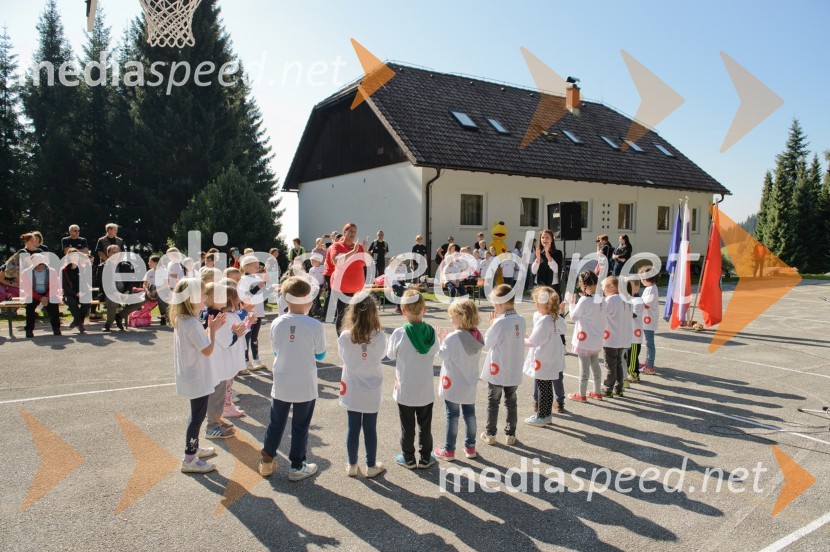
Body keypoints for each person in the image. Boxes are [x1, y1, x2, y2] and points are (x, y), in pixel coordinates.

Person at [259, 277, 327, 481]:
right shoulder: (314, 325)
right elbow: (320, 355)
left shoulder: (277, 323)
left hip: (282, 379)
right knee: (300, 425)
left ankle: (266, 461)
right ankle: (297, 466)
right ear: (307, 300)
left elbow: (276, 350)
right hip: (304, 381)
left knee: (276, 422)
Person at [170, 278, 224, 474]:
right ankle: (190, 458)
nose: (205, 296)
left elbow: (200, 344)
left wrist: (208, 329)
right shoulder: (191, 323)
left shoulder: (183, 319)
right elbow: (207, 350)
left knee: (196, 415)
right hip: (197, 377)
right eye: (202, 293)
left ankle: (193, 448)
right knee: (197, 417)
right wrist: (213, 331)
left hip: (192, 374)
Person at [386, 290, 439, 469]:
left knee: (407, 426)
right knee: (425, 425)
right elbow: (435, 351)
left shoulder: (399, 333)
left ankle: (408, 457)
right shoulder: (431, 332)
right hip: (425, 388)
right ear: (424, 309)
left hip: (405, 388)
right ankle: (425, 457)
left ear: (403, 311)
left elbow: (390, 354)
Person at [337, 295, 388, 478]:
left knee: (353, 427)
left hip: (352, 387)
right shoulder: (380, 337)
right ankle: (371, 465)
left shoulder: (345, 336)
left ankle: (352, 464)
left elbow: (343, 356)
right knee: (370, 428)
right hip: (372, 388)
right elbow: (382, 355)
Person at [433, 299, 483, 461]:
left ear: (461, 317)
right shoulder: (477, 335)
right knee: (470, 415)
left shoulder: (453, 337)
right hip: (469, 382)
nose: (450, 319)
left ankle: (449, 450)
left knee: (452, 416)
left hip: (453, 382)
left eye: (452, 316)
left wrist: (441, 339)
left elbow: (442, 355)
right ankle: (470, 447)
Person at [480, 284, 526, 446]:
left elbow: (488, 342)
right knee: (511, 401)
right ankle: (510, 434)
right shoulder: (521, 320)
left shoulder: (500, 322)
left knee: (493, 402)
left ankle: (490, 434)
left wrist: (492, 324)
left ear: (499, 304)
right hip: (513, 368)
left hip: (498, 369)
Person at [203, 283, 247, 441]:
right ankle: (212, 426)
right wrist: (236, 334)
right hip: (218, 363)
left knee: (218, 395)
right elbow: (225, 341)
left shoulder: (213, 314)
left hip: (217, 361)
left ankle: (216, 420)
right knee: (216, 396)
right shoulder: (218, 317)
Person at [523, 287, 567, 426]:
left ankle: (541, 416)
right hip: (551, 358)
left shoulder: (544, 320)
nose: (535, 304)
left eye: (537, 301)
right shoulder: (553, 317)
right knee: (547, 388)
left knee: (543, 388)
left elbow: (533, 342)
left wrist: (519, 339)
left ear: (544, 303)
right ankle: (547, 415)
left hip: (543, 359)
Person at [567, 271, 606, 402]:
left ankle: (581, 394)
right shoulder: (602, 299)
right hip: (596, 338)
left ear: (583, 285)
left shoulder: (584, 300)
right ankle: (597, 392)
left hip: (584, 340)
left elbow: (574, 317)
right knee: (595, 365)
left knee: (584, 368)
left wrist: (572, 303)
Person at [326, 223, 368, 335]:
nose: (353, 234)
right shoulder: (336, 246)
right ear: (344, 232)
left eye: (355, 232)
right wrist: (353, 252)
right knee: (342, 315)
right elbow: (336, 260)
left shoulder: (359, 246)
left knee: (357, 315)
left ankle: (354, 338)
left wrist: (365, 250)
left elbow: (365, 263)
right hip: (341, 288)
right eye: (350, 231)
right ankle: (341, 340)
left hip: (358, 289)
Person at [240, 255, 273, 370]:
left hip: (258, 311)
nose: (258, 267)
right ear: (246, 266)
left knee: (254, 336)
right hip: (249, 312)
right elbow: (246, 295)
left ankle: (256, 359)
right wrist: (258, 287)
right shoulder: (243, 279)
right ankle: (245, 361)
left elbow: (263, 295)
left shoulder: (258, 278)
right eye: (255, 265)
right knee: (247, 336)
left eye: (258, 265)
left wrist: (272, 288)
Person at [601, 276, 631, 397]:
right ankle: (619, 387)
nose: (603, 291)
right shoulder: (626, 299)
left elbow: (602, 313)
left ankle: (608, 388)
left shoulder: (611, 299)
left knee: (610, 365)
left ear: (612, 286)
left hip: (611, 338)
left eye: (604, 287)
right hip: (623, 337)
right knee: (618, 363)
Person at [102, 245, 142, 332]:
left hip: (124, 292)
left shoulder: (126, 266)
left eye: (117, 252)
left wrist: (127, 291)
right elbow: (103, 283)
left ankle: (119, 316)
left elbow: (130, 281)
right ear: (108, 254)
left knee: (139, 301)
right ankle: (108, 323)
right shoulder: (103, 267)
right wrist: (115, 293)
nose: (116, 254)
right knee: (113, 302)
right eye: (113, 252)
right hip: (109, 293)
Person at [20, 253, 61, 338]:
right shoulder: (26, 272)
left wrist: (46, 296)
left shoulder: (52, 271)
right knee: (30, 307)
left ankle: (56, 328)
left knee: (54, 305)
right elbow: (27, 289)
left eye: (41, 263)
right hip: (33, 294)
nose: (39, 265)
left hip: (48, 293)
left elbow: (55, 286)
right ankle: (29, 330)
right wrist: (40, 298)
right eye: (37, 263)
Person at [0, 233, 43, 300]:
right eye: (31, 240)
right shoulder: (22, 252)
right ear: (26, 242)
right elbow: (23, 268)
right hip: (9, 281)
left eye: (34, 239)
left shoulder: (39, 251)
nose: (33, 241)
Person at [62, 248, 92, 334]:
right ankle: (80, 324)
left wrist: (83, 292)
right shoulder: (64, 270)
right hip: (69, 294)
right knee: (72, 302)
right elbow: (64, 286)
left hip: (82, 292)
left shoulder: (83, 268)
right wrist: (75, 293)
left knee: (87, 302)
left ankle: (76, 321)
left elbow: (86, 282)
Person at [624, 279, 645, 386]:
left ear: (636, 289)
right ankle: (629, 372)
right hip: (628, 332)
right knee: (627, 355)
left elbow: (634, 314)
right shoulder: (629, 299)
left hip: (635, 334)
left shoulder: (638, 301)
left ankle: (634, 374)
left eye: (629, 287)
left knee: (633, 355)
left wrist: (623, 309)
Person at [532, 229, 563, 296]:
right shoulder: (538, 253)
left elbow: (556, 269)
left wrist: (547, 254)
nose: (544, 239)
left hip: (553, 287)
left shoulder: (558, 253)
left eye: (547, 237)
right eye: (543, 237)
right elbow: (533, 271)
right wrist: (538, 258)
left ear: (552, 240)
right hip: (540, 287)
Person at [143, 255, 168, 325]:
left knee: (160, 297)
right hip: (150, 290)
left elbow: (166, 284)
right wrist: (148, 292)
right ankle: (139, 316)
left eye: (150, 262)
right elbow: (144, 284)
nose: (148, 263)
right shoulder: (149, 272)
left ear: (156, 263)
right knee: (141, 299)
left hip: (162, 290)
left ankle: (163, 317)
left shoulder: (164, 271)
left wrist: (156, 290)